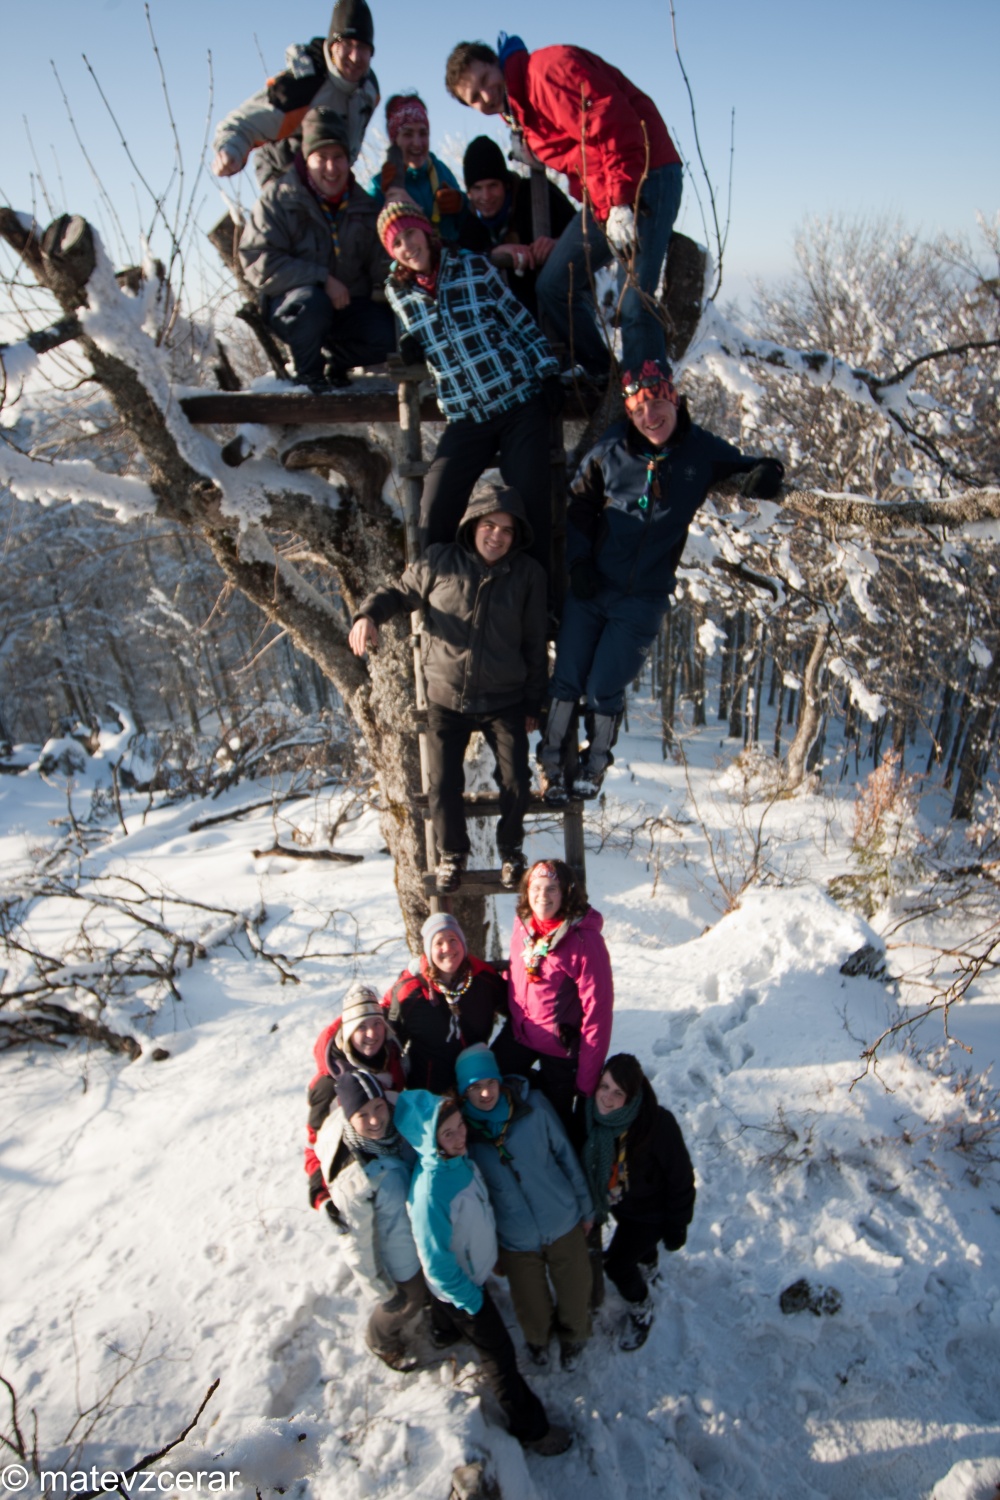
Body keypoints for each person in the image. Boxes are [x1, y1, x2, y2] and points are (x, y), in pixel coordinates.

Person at [540, 360, 786, 801]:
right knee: (567, 678)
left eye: (656, 405)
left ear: (673, 399)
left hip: (643, 599)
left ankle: (594, 766)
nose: (649, 418)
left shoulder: (698, 450)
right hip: (592, 585)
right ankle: (551, 767)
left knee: (602, 687)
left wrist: (769, 472)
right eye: (638, 411)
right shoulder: (613, 447)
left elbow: (752, 465)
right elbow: (578, 503)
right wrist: (579, 563)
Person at [445, 35, 683, 379]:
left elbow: (614, 125)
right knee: (555, 284)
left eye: (484, 80)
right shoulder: (521, 115)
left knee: (634, 304)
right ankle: (608, 383)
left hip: (647, 175)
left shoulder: (548, 70)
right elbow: (580, 159)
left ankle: (647, 404)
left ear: (495, 63)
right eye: (474, 98)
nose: (486, 96)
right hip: (605, 199)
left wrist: (619, 203)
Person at [349, 480, 547, 894]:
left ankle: (511, 851)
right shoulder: (440, 562)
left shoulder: (527, 574)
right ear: (473, 524)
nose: (497, 535)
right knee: (441, 784)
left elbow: (534, 640)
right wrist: (367, 615)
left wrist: (533, 700)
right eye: (489, 525)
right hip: (447, 697)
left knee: (515, 780)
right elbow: (398, 594)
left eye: (507, 530)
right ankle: (452, 855)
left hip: (504, 697)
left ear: (517, 536)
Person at [376, 201, 563, 581]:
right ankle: (440, 593)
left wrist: (547, 372)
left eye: (410, 233)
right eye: (396, 243)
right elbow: (423, 332)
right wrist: (413, 344)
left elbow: (519, 320)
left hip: (517, 402)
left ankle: (539, 603)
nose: (407, 246)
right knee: (436, 505)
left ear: (425, 231)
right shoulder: (398, 292)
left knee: (528, 504)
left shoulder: (472, 267)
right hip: (466, 415)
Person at [394, 1089, 571, 1456]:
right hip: (462, 1288)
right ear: (429, 1143)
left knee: (450, 1314)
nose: (461, 1137)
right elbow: (438, 1266)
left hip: (467, 1276)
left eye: (460, 1126)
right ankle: (533, 1429)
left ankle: (444, 1332)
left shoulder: (456, 1162)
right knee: (500, 1357)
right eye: (448, 1134)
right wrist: (472, 1300)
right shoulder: (432, 1192)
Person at [455, 1044, 593, 1370]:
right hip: (515, 1237)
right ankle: (538, 1341)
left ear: (500, 1081)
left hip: (562, 1219)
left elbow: (565, 1156)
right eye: (474, 1087)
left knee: (576, 1291)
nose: (485, 1092)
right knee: (530, 1304)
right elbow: (477, 1204)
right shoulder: (465, 1139)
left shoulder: (534, 1108)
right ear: (464, 1092)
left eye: (489, 1082)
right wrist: (492, 1250)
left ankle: (575, 1336)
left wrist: (586, 1209)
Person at [239, 109, 394, 388]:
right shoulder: (278, 200)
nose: (331, 168)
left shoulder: (364, 206)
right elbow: (257, 260)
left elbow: (380, 265)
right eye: (321, 158)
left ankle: (334, 363)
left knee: (390, 333)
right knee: (313, 304)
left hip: (347, 310)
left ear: (348, 160)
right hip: (295, 308)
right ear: (306, 159)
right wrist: (321, 278)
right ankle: (309, 379)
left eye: (338, 157)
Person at [581, 1054, 695, 1350]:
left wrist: (676, 1227)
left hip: (651, 1215)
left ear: (632, 1097)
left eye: (618, 1093)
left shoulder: (658, 1125)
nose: (606, 1098)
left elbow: (681, 1180)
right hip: (623, 1207)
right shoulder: (594, 1119)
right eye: (604, 1086)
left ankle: (642, 1308)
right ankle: (648, 1262)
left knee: (617, 1265)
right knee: (636, 1252)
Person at [313, 1070, 425, 1369]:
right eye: (363, 1115)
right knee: (409, 1299)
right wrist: (382, 1291)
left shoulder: (398, 1125)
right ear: (349, 1118)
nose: (375, 1120)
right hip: (399, 1250)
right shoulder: (354, 1178)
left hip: (421, 1230)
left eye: (378, 1107)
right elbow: (356, 1244)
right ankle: (381, 1339)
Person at [494, 859, 613, 1135]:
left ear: (566, 893)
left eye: (551, 889)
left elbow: (599, 1013)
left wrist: (586, 1082)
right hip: (520, 1032)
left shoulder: (585, 940)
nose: (542, 896)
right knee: (487, 1088)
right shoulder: (523, 924)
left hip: (561, 1046)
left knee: (556, 1126)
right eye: (536, 888)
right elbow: (519, 973)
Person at [212, 0, 379, 188]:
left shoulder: (369, 91)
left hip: (331, 180)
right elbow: (242, 124)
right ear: (332, 46)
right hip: (282, 174)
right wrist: (231, 149)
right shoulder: (302, 87)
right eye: (347, 44)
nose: (355, 57)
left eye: (363, 48)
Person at [304, 982, 407, 1213]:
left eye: (377, 1024)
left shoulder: (392, 1060)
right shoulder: (330, 1084)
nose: (372, 1034)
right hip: (356, 1177)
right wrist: (320, 1195)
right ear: (349, 1031)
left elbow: (393, 1000)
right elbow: (314, 1145)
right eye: (361, 1027)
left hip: (398, 1165)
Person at [457, 136, 576, 322]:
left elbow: (580, 234)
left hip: (558, 316)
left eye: (492, 186)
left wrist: (557, 245)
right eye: (478, 189)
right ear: (469, 192)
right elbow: (461, 258)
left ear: (505, 184)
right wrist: (492, 253)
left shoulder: (536, 194)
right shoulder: (470, 221)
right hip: (507, 324)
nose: (485, 196)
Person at [384, 914, 507, 1091]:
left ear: (463, 943)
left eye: (453, 939)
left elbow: (518, 1013)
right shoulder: (411, 991)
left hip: (479, 1088)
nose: (447, 948)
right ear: (428, 950)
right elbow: (392, 1046)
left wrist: (497, 1056)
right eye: (438, 943)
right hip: (430, 1092)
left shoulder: (483, 978)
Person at [366, 93, 465, 243]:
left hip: (449, 258)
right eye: (408, 134)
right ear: (395, 140)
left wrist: (461, 204)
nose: (417, 143)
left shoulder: (440, 171)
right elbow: (372, 237)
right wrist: (384, 200)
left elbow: (467, 224)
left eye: (423, 133)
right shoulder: (381, 184)